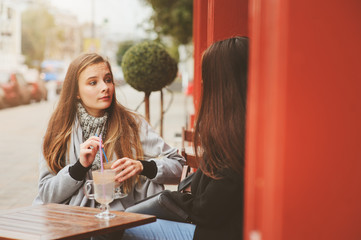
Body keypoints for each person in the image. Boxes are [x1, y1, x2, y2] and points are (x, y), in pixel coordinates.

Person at [122, 36, 249, 240]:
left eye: (206, 76)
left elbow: (208, 210)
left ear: (221, 83)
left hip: (216, 232)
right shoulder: (233, 127)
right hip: (213, 226)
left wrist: (167, 199)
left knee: (121, 228)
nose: (202, 82)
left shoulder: (237, 135)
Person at [33, 53, 185, 214]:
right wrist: (79, 167)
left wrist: (143, 166)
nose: (105, 87)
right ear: (76, 92)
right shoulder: (59, 131)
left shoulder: (133, 124)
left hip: (120, 221)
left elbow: (179, 166)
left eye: (108, 80)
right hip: (71, 220)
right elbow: (47, 195)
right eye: (93, 82)